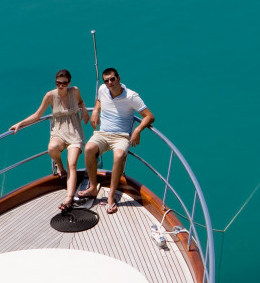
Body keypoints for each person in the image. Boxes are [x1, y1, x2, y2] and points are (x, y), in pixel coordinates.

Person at [9, 69, 88, 210]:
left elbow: (81, 102)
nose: (61, 86)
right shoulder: (50, 96)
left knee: (73, 164)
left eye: (64, 83)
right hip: (58, 132)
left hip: (75, 132)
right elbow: (37, 114)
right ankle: (59, 165)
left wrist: (84, 110)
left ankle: (69, 198)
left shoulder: (74, 91)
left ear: (69, 82)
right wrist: (20, 124)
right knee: (52, 148)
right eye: (58, 83)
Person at [83, 67, 154, 214]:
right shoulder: (102, 89)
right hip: (103, 133)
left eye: (112, 79)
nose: (110, 83)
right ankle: (92, 187)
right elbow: (98, 100)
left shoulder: (131, 96)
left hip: (122, 136)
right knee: (88, 148)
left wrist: (138, 130)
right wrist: (96, 111)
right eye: (107, 80)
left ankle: (111, 196)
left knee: (119, 156)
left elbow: (149, 116)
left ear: (119, 79)